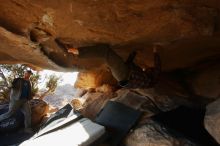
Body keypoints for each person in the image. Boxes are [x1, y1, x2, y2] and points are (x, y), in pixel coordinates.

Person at [67, 43, 161, 89]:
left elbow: (158, 67)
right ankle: (77, 52)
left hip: (123, 75)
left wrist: (155, 51)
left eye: (148, 69)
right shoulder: (143, 78)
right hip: (122, 75)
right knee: (111, 59)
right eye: (148, 69)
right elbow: (129, 63)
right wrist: (134, 53)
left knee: (105, 51)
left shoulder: (150, 80)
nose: (146, 69)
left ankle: (77, 52)